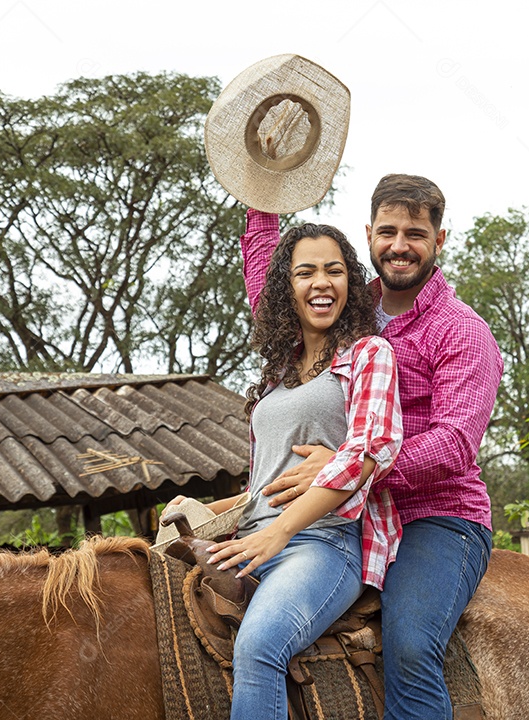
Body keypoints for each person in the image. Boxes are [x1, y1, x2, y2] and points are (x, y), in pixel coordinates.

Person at [241, 174, 503, 719]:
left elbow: (454, 444)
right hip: (343, 509)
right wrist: (262, 191)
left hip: (434, 515)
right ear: (368, 235)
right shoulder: (350, 305)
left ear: (439, 239)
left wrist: (347, 468)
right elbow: (277, 287)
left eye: (415, 234)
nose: (399, 246)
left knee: (409, 645)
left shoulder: (462, 331)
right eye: (388, 232)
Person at [163, 223, 402, 720]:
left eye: (334, 271)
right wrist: (207, 509)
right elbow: (266, 485)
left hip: (323, 543)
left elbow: (368, 454)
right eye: (305, 272)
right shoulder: (278, 376)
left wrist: (280, 532)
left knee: (259, 648)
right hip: (252, 539)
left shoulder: (369, 354)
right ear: (286, 288)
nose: (321, 282)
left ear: (351, 283)